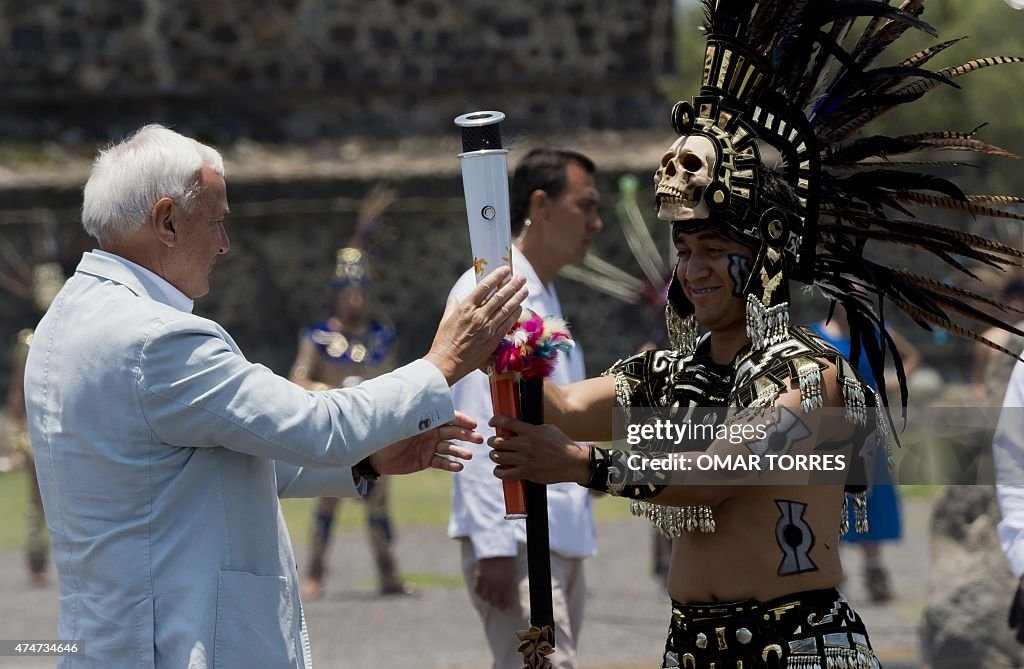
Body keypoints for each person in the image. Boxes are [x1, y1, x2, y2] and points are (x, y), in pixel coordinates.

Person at [484, 3, 1024, 667]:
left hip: (798, 648)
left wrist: (573, 464)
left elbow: (715, 476)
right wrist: (506, 346)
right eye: (685, 249)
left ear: (765, 253)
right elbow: (561, 405)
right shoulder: (671, 373)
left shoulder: (810, 374)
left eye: (713, 247)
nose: (694, 267)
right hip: (689, 649)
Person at [23, 124, 528, 668]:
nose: (224, 244)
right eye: (216, 222)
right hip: (177, 643)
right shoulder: (156, 339)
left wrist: (367, 461)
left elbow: (209, 464)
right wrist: (444, 362)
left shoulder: (66, 322)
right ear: (167, 221)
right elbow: (312, 424)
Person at [446, 148, 602, 669]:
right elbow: (478, 415)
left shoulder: (542, 293)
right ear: (543, 205)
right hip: (519, 538)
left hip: (559, 528)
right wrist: (492, 543)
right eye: (586, 206)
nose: (596, 224)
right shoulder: (494, 288)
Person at [290, 246, 412, 598]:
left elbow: (392, 380)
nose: (356, 299)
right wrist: (330, 391)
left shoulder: (381, 336)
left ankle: (389, 574)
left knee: (378, 508)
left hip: (374, 433)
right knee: (327, 505)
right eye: (349, 291)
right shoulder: (317, 337)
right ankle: (314, 574)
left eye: (361, 291)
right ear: (336, 294)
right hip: (335, 430)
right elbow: (297, 378)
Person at [812, 304, 920, 603]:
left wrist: (885, 388)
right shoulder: (814, 335)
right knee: (830, 500)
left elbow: (911, 357)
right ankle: (833, 574)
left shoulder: (875, 330)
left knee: (868, 500)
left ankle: (874, 571)